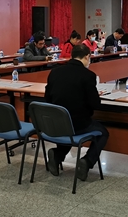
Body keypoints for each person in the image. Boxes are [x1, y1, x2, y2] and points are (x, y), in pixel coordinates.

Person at [45, 45, 109, 181]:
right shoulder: (88, 75)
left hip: (56, 123)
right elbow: (95, 104)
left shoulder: (54, 72)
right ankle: (87, 161)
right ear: (87, 57)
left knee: (68, 130)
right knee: (103, 133)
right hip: (79, 124)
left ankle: (57, 154)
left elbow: (47, 98)